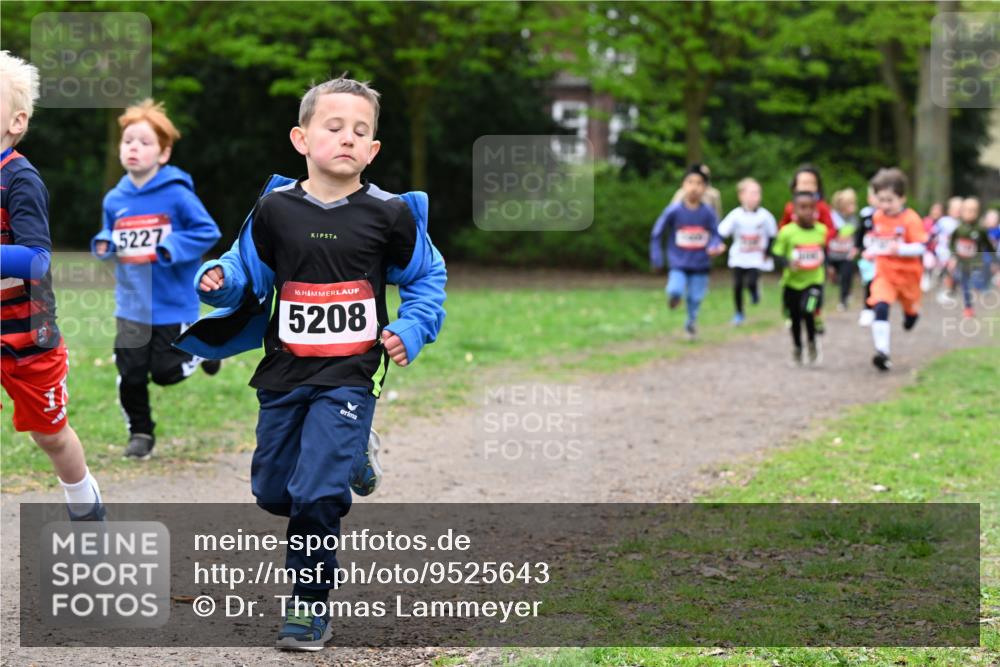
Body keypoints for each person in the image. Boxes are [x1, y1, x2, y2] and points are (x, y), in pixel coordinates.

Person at [180, 76, 447, 651]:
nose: (347, 139)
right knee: (276, 491)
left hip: (351, 374)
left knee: (316, 494)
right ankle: (353, 453)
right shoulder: (274, 209)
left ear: (373, 149)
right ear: (302, 138)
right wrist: (220, 282)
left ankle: (308, 606)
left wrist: (411, 327)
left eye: (360, 131)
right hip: (284, 372)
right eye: (334, 127)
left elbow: (427, 277)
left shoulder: (390, 215)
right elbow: (246, 270)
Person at [0, 51, 105, 519]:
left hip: (27, 336)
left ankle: (84, 504)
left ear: (16, 121)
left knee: (51, 434)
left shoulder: (19, 179)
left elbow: (38, 260)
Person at [91, 99, 222, 460]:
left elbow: (207, 230)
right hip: (131, 304)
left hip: (172, 303)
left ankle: (206, 350)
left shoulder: (177, 193)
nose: (133, 147)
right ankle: (140, 433)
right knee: (131, 373)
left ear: (163, 154)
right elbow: (110, 234)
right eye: (128, 140)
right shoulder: (115, 198)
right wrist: (104, 245)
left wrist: (170, 246)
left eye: (144, 142)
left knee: (164, 372)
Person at [650, 164, 726, 340]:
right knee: (675, 289)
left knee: (695, 298)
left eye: (699, 183)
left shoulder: (708, 212)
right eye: (690, 182)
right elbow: (657, 232)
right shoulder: (674, 210)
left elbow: (715, 234)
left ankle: (691, 323)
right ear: (683, 185)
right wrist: (657, 257)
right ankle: (674, 298)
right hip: (679, 262)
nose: (694, 187)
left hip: (701, 263)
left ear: (705, 188)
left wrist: (716, 245)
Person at [864, 168, 927, 372]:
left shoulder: (911, 219)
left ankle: (911, 315)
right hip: (885, 274)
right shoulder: (877, 217)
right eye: (880, 200)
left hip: (908, 276)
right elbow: (876, 240)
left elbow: (921, 246)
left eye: (889, 200)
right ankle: (882, 352)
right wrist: (871, 251)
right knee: (880, 306)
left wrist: (900, 249)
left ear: (902, 198)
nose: (884, 205)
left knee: (909, 309)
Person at [778, 165, 836, 333]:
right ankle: (792, 314)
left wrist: (821, 241)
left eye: (811, 182)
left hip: (816, 256)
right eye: (803, 182)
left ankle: (814, 313)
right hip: (795, 258)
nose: (807, 186)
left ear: (818, 186)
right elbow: (783, 226)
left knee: (815, 291)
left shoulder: (822, 208)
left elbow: (831, 228)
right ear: (795, 185)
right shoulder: (790, 207)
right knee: (791, 291)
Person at [772, 191, 827, 366]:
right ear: (794, 210)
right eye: (803, 207)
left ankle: (812, 342)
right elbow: (776, 255)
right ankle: (797, 346)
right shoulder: (787, 232)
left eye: (811, 207)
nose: (808, 211)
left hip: (814, 282)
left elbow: (825, 253)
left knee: (808, 310)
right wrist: (788, 263)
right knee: (795, 318)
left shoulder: (821, 230)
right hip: (792, 284)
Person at [717, 177, 777, 325]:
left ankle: (755, 293)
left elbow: (772, 235)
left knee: (751, 282)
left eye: (757, 193)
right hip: (739, 256)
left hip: (756, 257)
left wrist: (767, 253)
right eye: (751, 193)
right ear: (741, 196)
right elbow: (722, 232)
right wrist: (718, 245)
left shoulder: (765, 216)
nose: (755, 197)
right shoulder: (735, 215)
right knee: (737, 285)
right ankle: (739, 313)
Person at [947, 197, 994, 318]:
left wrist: (994, 259)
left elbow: (987, 244)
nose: (970, 213)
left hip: (976, 262)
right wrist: (953, 256)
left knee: (975, 280)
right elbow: (952, 243)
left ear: (977, 212)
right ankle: (968, 307)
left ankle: (979, 287)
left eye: (973, 210)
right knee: (964, 285)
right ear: (962, 212)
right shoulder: (958, 229)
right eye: (967, 210)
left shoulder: (980, 229)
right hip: (962, 262)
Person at [828, 188, 859, 311]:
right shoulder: (832, 217)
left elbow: (856, 235)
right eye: (850, 204)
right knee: (835, 278)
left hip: (847, 255)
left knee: (846, 277)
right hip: (832, 254)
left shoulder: (854, 219)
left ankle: (843, 300)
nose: (853, 207)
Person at [855, 186, 878, 326]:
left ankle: (878, 309)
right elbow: (859, 234)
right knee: (869, 283)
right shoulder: (865, 215)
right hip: (868, 256)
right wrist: (858, 249)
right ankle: (867, 310)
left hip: (882, 258)